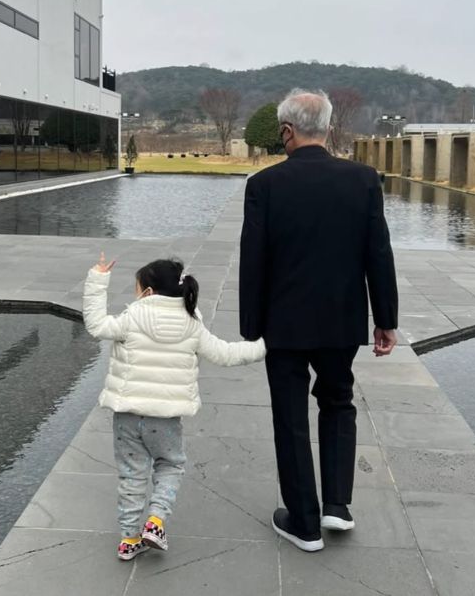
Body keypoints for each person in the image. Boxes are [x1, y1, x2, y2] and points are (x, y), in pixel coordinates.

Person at [239, 89, 398, 552]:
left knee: (290, 416)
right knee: (338, 402)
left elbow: (253, 261)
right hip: (341, 321)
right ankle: (337, 506)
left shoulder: (265, 185)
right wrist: (385, 319)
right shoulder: (363, 180)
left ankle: (304, 523)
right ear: (327, 129)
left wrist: (251, 328)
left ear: (286, 131)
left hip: (284, 324)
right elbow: (378, 253)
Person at [83, 253, 266, 561]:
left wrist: (98, 278)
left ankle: (129, 539)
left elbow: (96, 324)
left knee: (131, 474)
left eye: (136, 288)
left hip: (127, 416)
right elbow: (226, 354)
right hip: (164, 420)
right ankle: (155, 520)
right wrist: (266, 345)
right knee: (170, 465)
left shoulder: (131, 318)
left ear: (148, 292)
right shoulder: (192, 324)